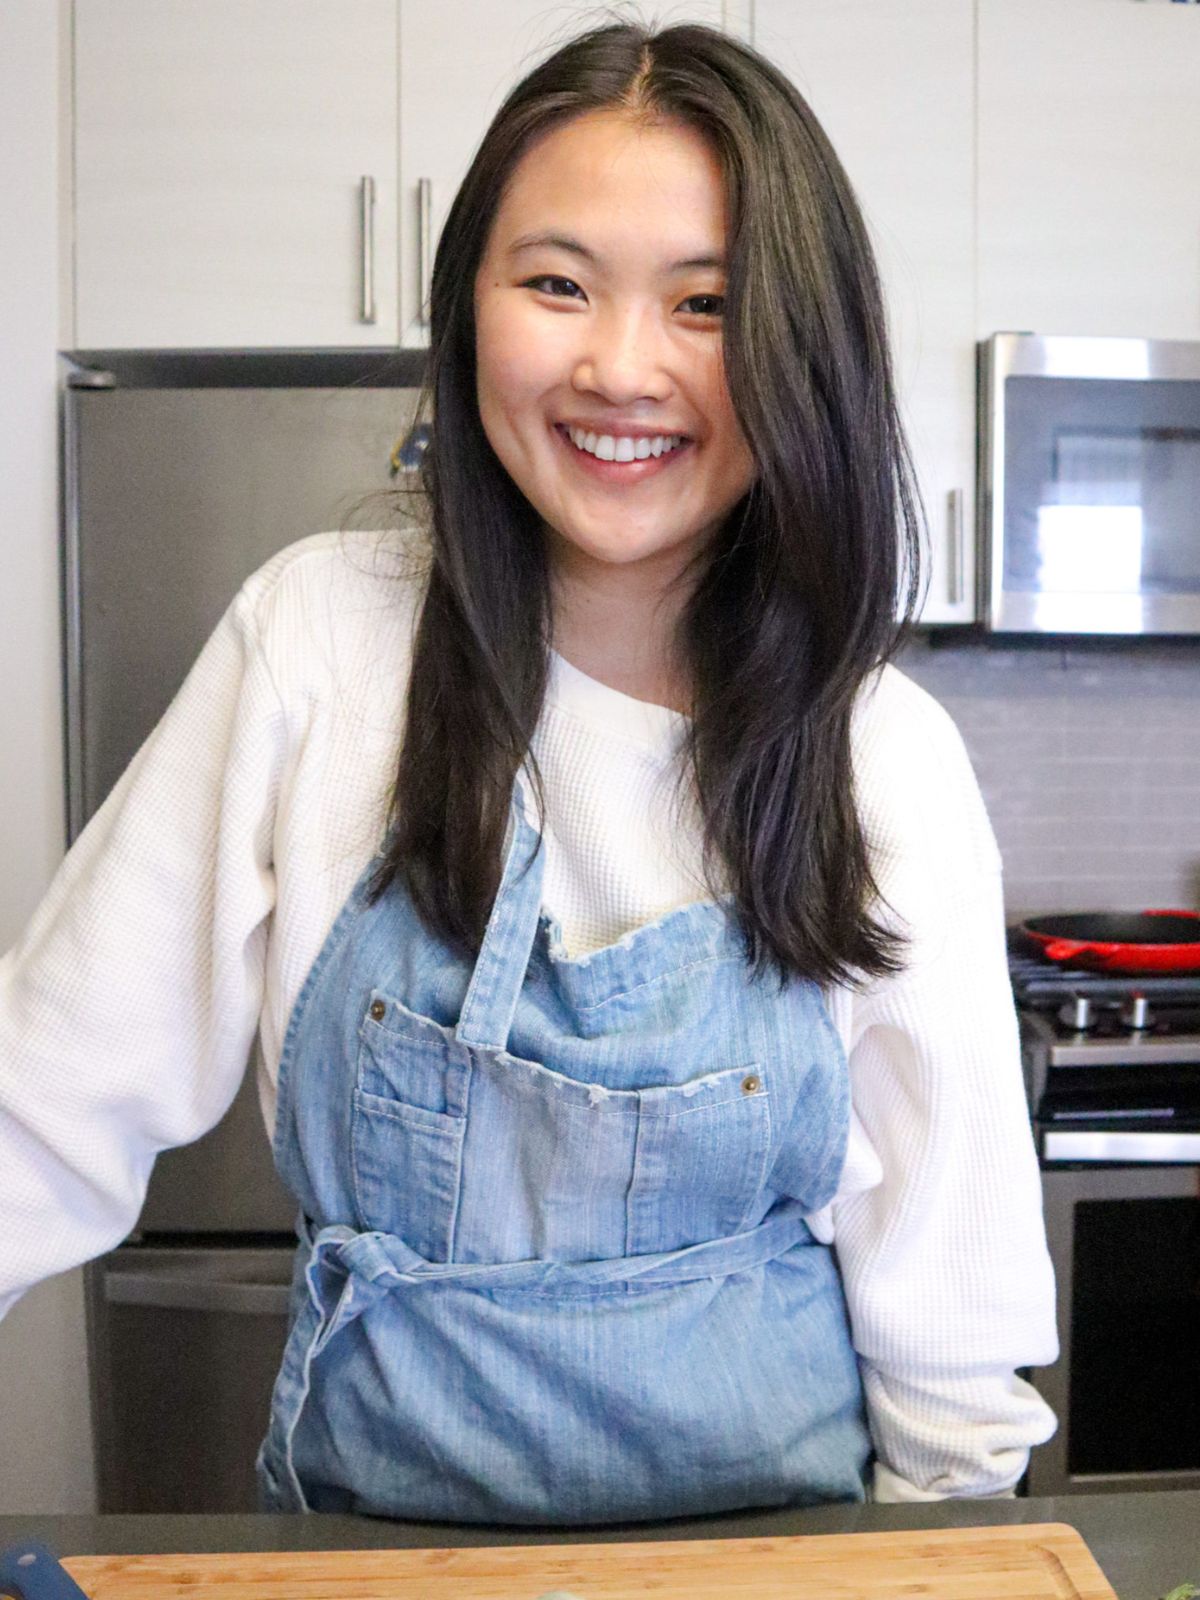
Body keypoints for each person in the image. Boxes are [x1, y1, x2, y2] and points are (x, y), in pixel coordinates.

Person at [0, 17, 1058, 1521]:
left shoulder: (881, 754)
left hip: (778, 1573)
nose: (621, 368)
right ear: (465, 305)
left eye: (708, 304)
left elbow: (944, 1301)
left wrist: (941, 1550)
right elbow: (40, 1103)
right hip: (372, 1559)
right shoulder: (320, 640)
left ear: (797, 350)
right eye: (557, 284)